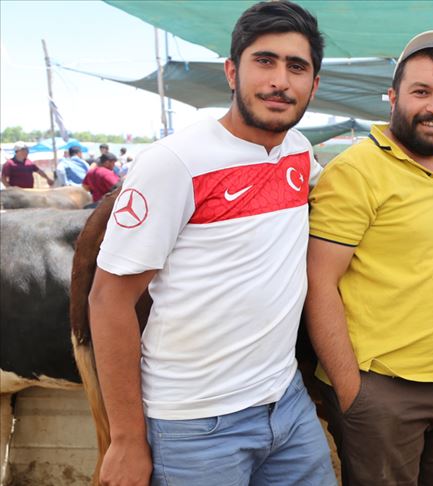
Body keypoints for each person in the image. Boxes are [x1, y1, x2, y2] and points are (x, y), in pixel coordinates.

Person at [88, 2, 336, 485]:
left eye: (296, 66)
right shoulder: (173, 163)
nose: (280, 81)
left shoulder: (300, 154)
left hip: (286, 405)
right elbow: (108, 298)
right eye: (264, 61)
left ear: (314, 85)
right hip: (194, 425)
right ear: (231, 71)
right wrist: (125, 439)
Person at [306, 30, 433, 485]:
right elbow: (318, 282)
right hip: (380, 386)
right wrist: (352, 393)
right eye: (421, 92)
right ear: (393, 96)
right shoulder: (356, 171)